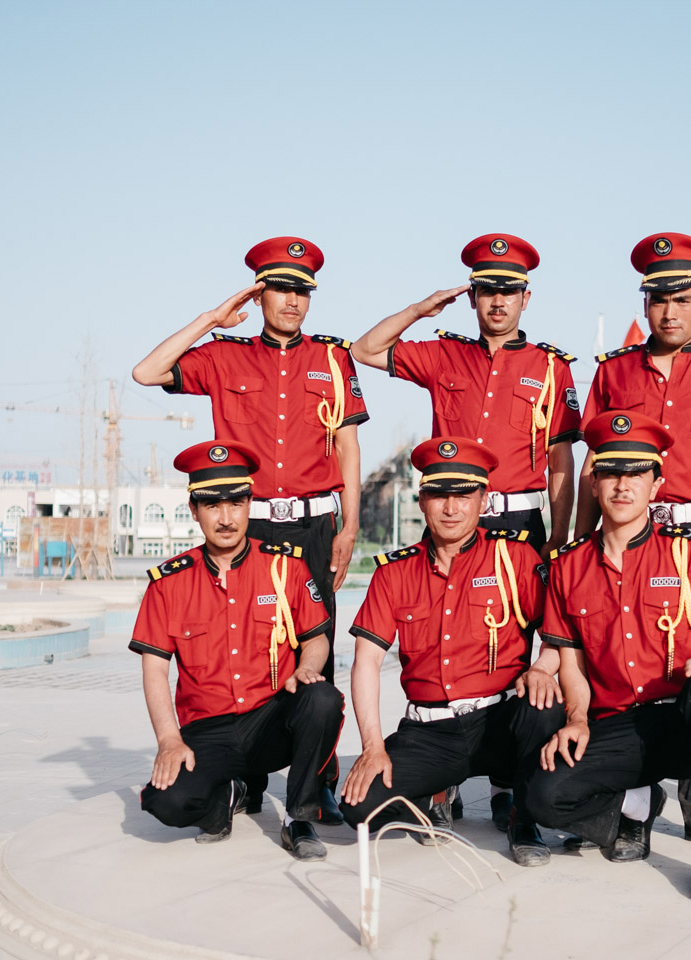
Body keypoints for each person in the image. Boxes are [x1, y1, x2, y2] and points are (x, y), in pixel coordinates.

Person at [131, 236, 367, 823]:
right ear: (259, 295)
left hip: (313, 524)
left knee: (314, 651)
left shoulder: (333, 360)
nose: (292, 301)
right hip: (248, 519)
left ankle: (318, 781)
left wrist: (350, 522)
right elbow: (146, 372)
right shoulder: (223, 356)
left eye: (301, 291)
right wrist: (211, 319)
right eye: (280, 289)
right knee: (246, 640)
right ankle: (246, 776)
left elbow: (347, 445)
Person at [573, 232, 691, 851]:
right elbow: (593, 464)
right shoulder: (613, 370)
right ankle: (635, 796)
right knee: (625, 663)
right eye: (658, 299)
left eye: (682, 299)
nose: (669, 311)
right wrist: (579, 541)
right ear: (645, 304)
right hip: (630, 532)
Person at [520, 412, 691, 899]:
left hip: (680, 720)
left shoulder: (690, 553)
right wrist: (576, 719)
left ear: (656, 485)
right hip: (616, 724)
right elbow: (571, 663)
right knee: (542, 797)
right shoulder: (567, 567)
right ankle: (636, 806)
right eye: (611, 473)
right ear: (594, 482)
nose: (623, 485)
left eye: (637, 474)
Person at [340, 438, 566, 866]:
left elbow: (559, 634)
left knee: (544, 706)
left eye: (463, 495)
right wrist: (372, 747)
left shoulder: (514, 558)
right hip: (432, 732)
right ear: (422, 500)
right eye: (439, 495)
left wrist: (541, 668)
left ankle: (523, 819)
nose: (451, 508)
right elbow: (366, 660)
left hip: (499, 722)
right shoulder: (394, 572)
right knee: (358, 808)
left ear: (484, 500)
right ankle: (435, 791)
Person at [133, 441, 343, 862]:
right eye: (212, 506)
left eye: (235, 503)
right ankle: (228, 793)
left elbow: (316, 637)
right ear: (194, 510)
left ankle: (298, 817)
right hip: (208, 729)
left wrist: (307, 666)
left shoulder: (285, 566)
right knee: (166, 802)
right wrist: (169, 740)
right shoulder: (169, 583)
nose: (226, 518)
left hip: (270, 721)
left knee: (321, 698)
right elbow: (154, 670)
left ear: (250, 504)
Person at [350, 234, 581, 554]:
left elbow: (559, 460)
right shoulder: (444, 355)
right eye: (487, 291)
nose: (498, 302)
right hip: (451, 519)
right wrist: (418, 310)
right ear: (472, 297)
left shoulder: (550, 367)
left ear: (525, 298)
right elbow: (364, 350)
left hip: (520, 524)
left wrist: (558, 535)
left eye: (508, 292)